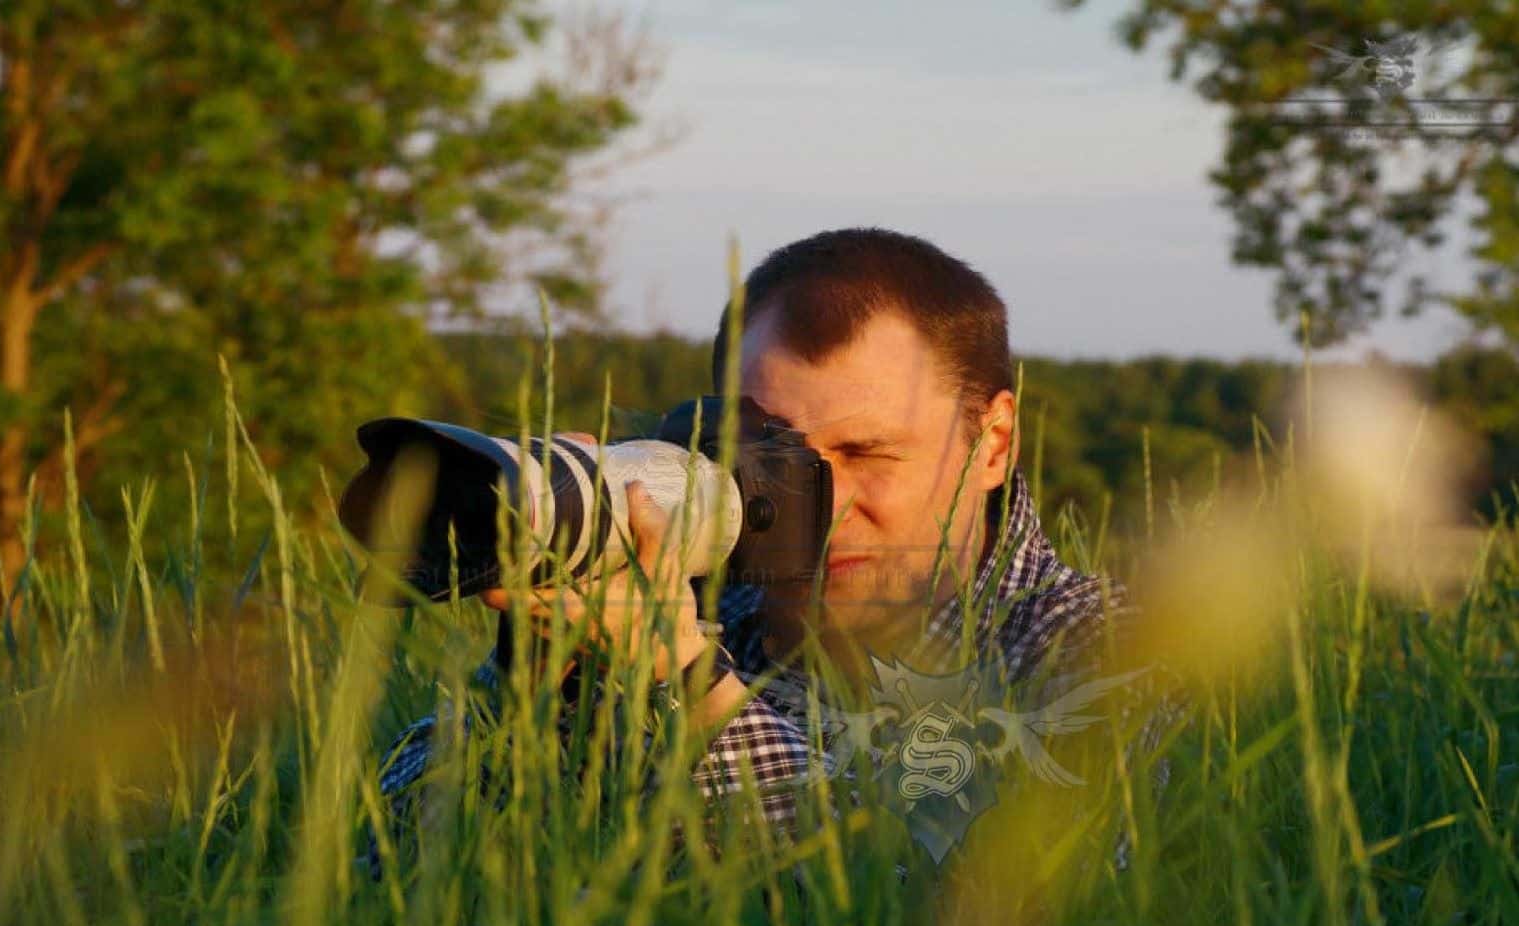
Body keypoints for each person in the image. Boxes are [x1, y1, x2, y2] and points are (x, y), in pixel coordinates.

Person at [370, 227, 1135, 866]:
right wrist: (533, 675)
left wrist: (691, 685)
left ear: (993, 443)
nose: (822, 509)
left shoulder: (1111, 650)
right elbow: (388, 870)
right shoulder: (691, 600)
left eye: (866, 454)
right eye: (772, 456)